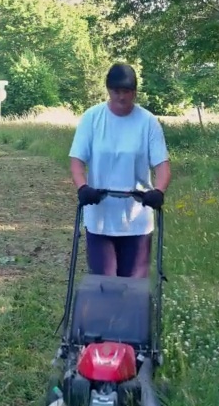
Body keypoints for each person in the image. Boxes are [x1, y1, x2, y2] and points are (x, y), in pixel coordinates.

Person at [68, 63, 170, 278]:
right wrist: (83, 187)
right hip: (100, 217)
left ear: (134, 92)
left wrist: (158, 191)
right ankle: (102, 312)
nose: (121, 97)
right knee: (104, 281)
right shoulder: (91, 118)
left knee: (133, 285)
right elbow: (77, 160)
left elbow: (162, 166)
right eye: (116, 91)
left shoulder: (148, 122)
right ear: (108, 90)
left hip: (137, 219)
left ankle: (132, 313)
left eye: (127, 92)